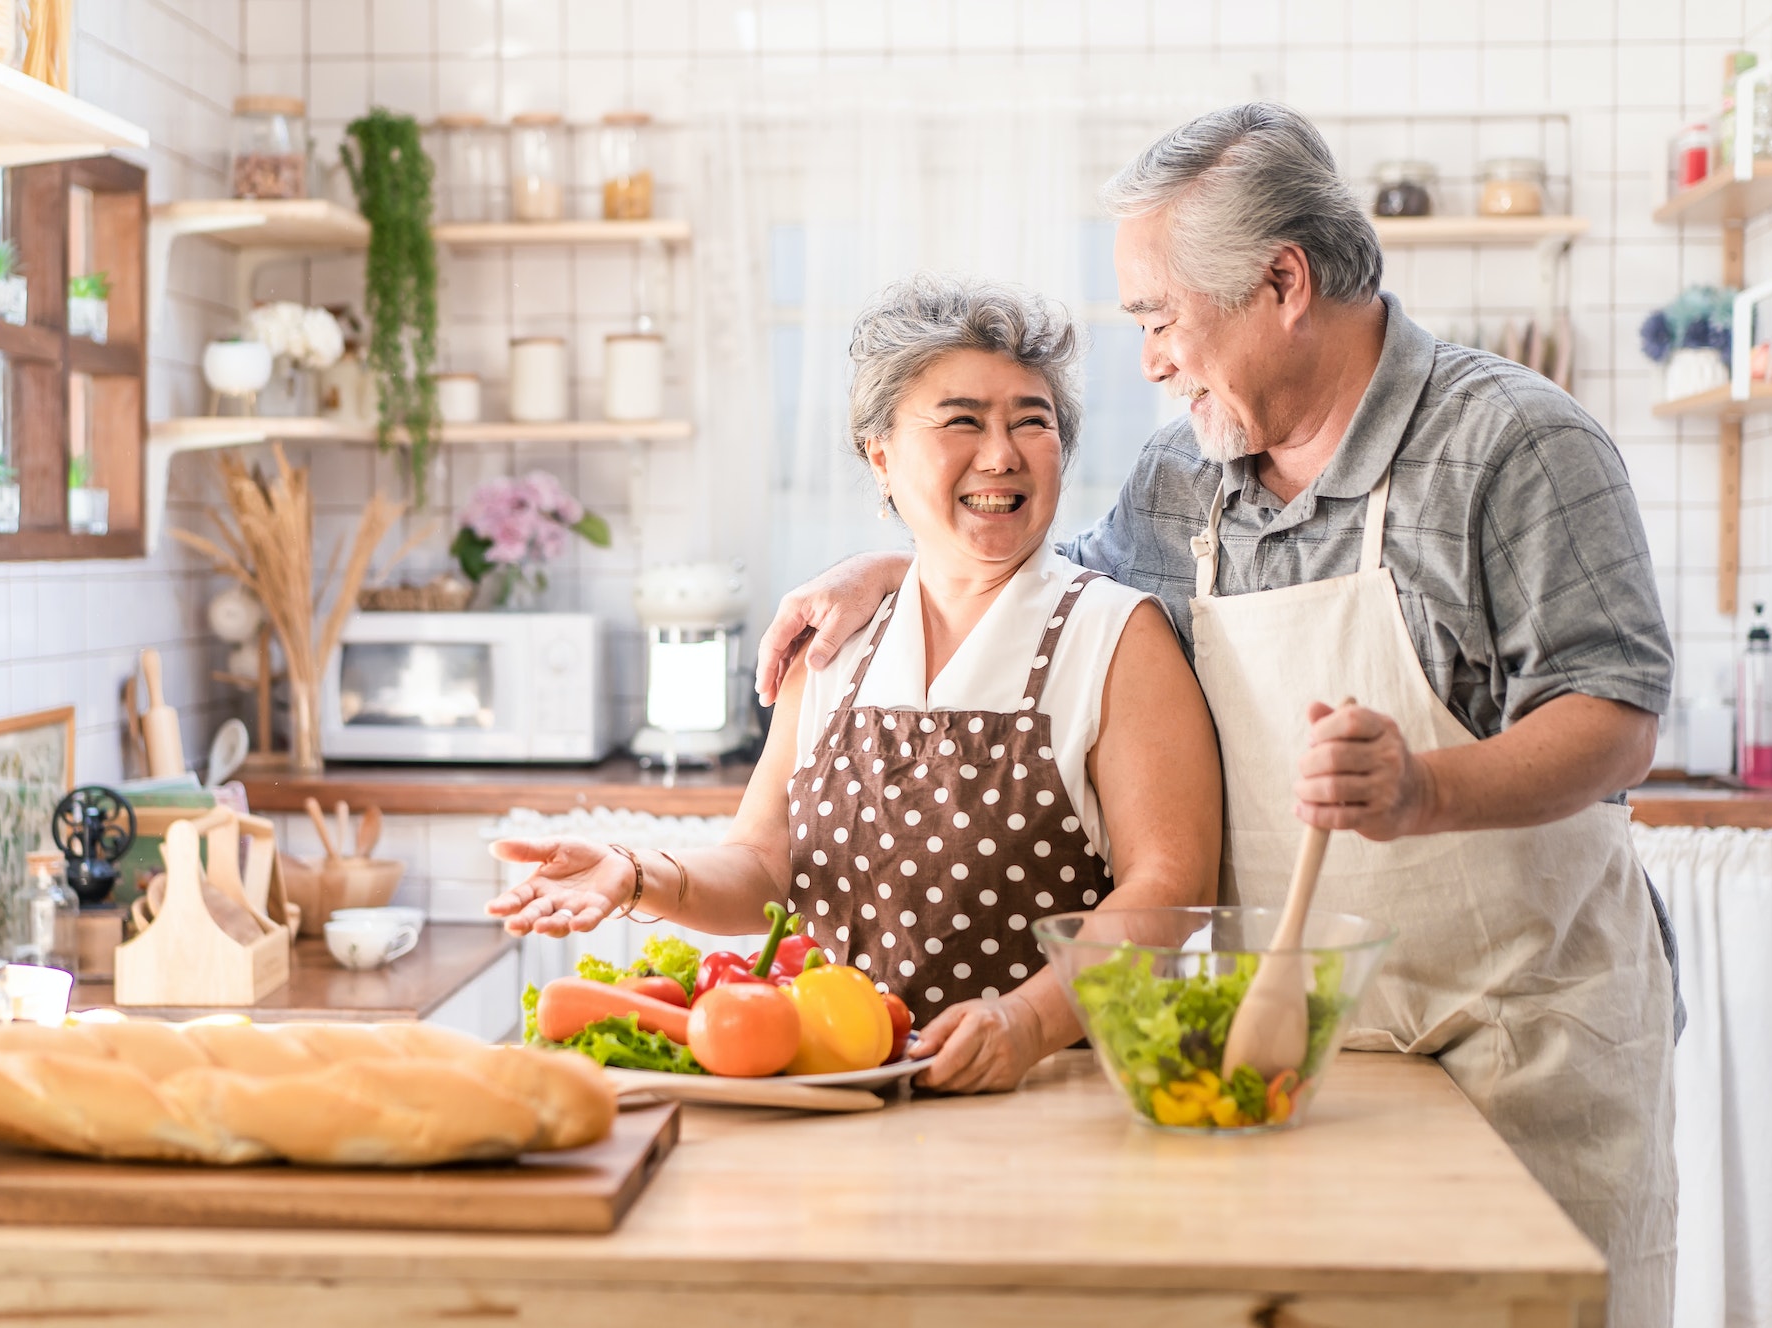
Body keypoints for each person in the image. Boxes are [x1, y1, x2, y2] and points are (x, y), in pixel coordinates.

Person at [754, 105, 1678, 1328]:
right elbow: (1040, 575)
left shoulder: (1512, 441)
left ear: (1280, 282)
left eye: (1155, 316)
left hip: (1514, 1037)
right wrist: (880, 568)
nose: (1146, 359)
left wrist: (1424, 792)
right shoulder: (1181, 471)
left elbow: (1612, 712)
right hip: (1283, 1052)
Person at [489, 274, 1222, 1094]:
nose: (1003, 453)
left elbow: (1171, 887)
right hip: (839, 1093)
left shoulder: (1116, 637)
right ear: (881, 454)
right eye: (962, 421)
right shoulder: (836, 647)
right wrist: (635, 873)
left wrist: (1026, 1022)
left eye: (1032, 422)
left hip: (1050, 1094)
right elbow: (765, 867)